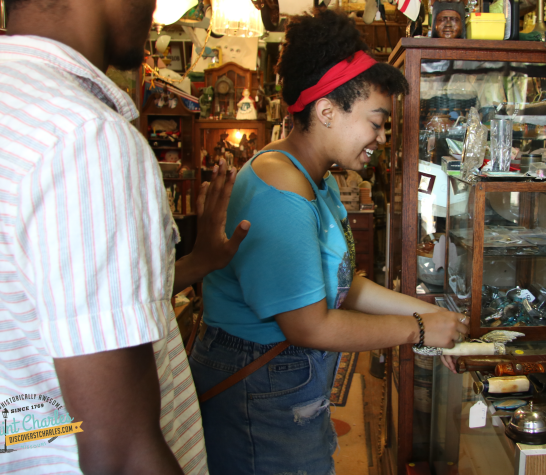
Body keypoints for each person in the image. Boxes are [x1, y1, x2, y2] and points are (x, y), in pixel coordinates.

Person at [189, 9, 469, 475]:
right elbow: (310, 326)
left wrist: (425, 312)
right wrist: (417, 329)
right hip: (259, 387)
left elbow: (342, 284)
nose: (381, 137)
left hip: (285, 381)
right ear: (326, 111)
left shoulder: (317, 180)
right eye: (376, 121)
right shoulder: (282, 193)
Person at [0, 0, 249, 473]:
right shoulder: (85, 138)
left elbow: (46, 307)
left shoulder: (4, 99)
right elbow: (122, 454)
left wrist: (193, 265)